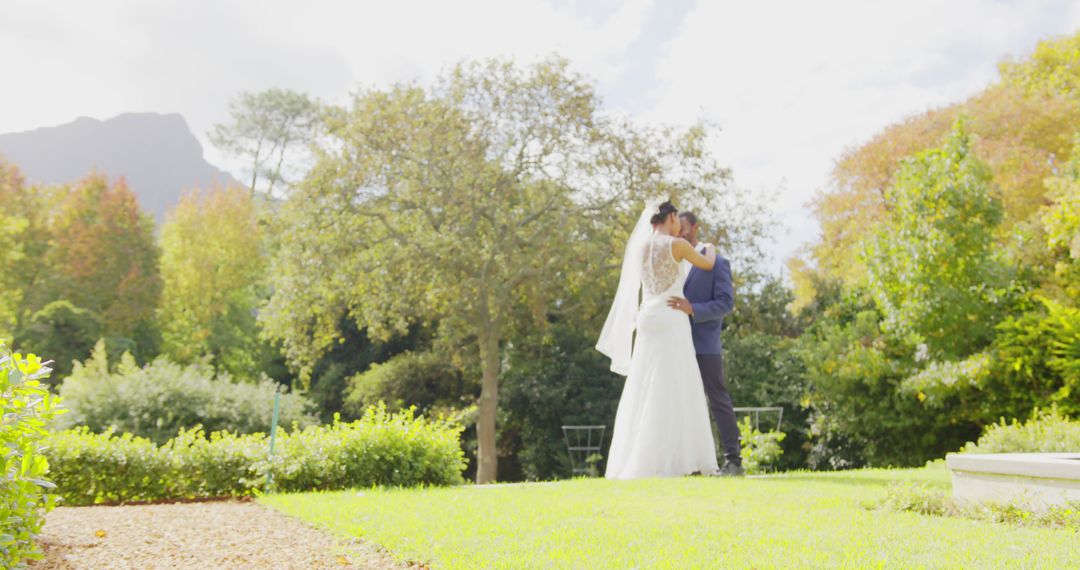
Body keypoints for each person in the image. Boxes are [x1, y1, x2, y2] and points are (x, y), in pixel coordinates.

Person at [598, 200, 720, 479]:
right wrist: (710, 248)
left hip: (648, 317)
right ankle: (684, 458)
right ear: (673, 217)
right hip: (671, 315)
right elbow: (707, 264)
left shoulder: (639, 247)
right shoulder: (677, 245)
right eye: (678, 219)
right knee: (678, 381)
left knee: (644, 383)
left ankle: (637, 457)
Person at [669, 211, 743, 476]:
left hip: (704, 344)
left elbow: (726, 303)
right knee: (680, 402)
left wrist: (693, 309)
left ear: (695, 228)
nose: (680, 234)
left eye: (685, 229)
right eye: (678, 229)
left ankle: (733, 460)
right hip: (674, 344)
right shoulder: (671, 260)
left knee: (717, 399)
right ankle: (688, 462)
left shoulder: (717, 262)